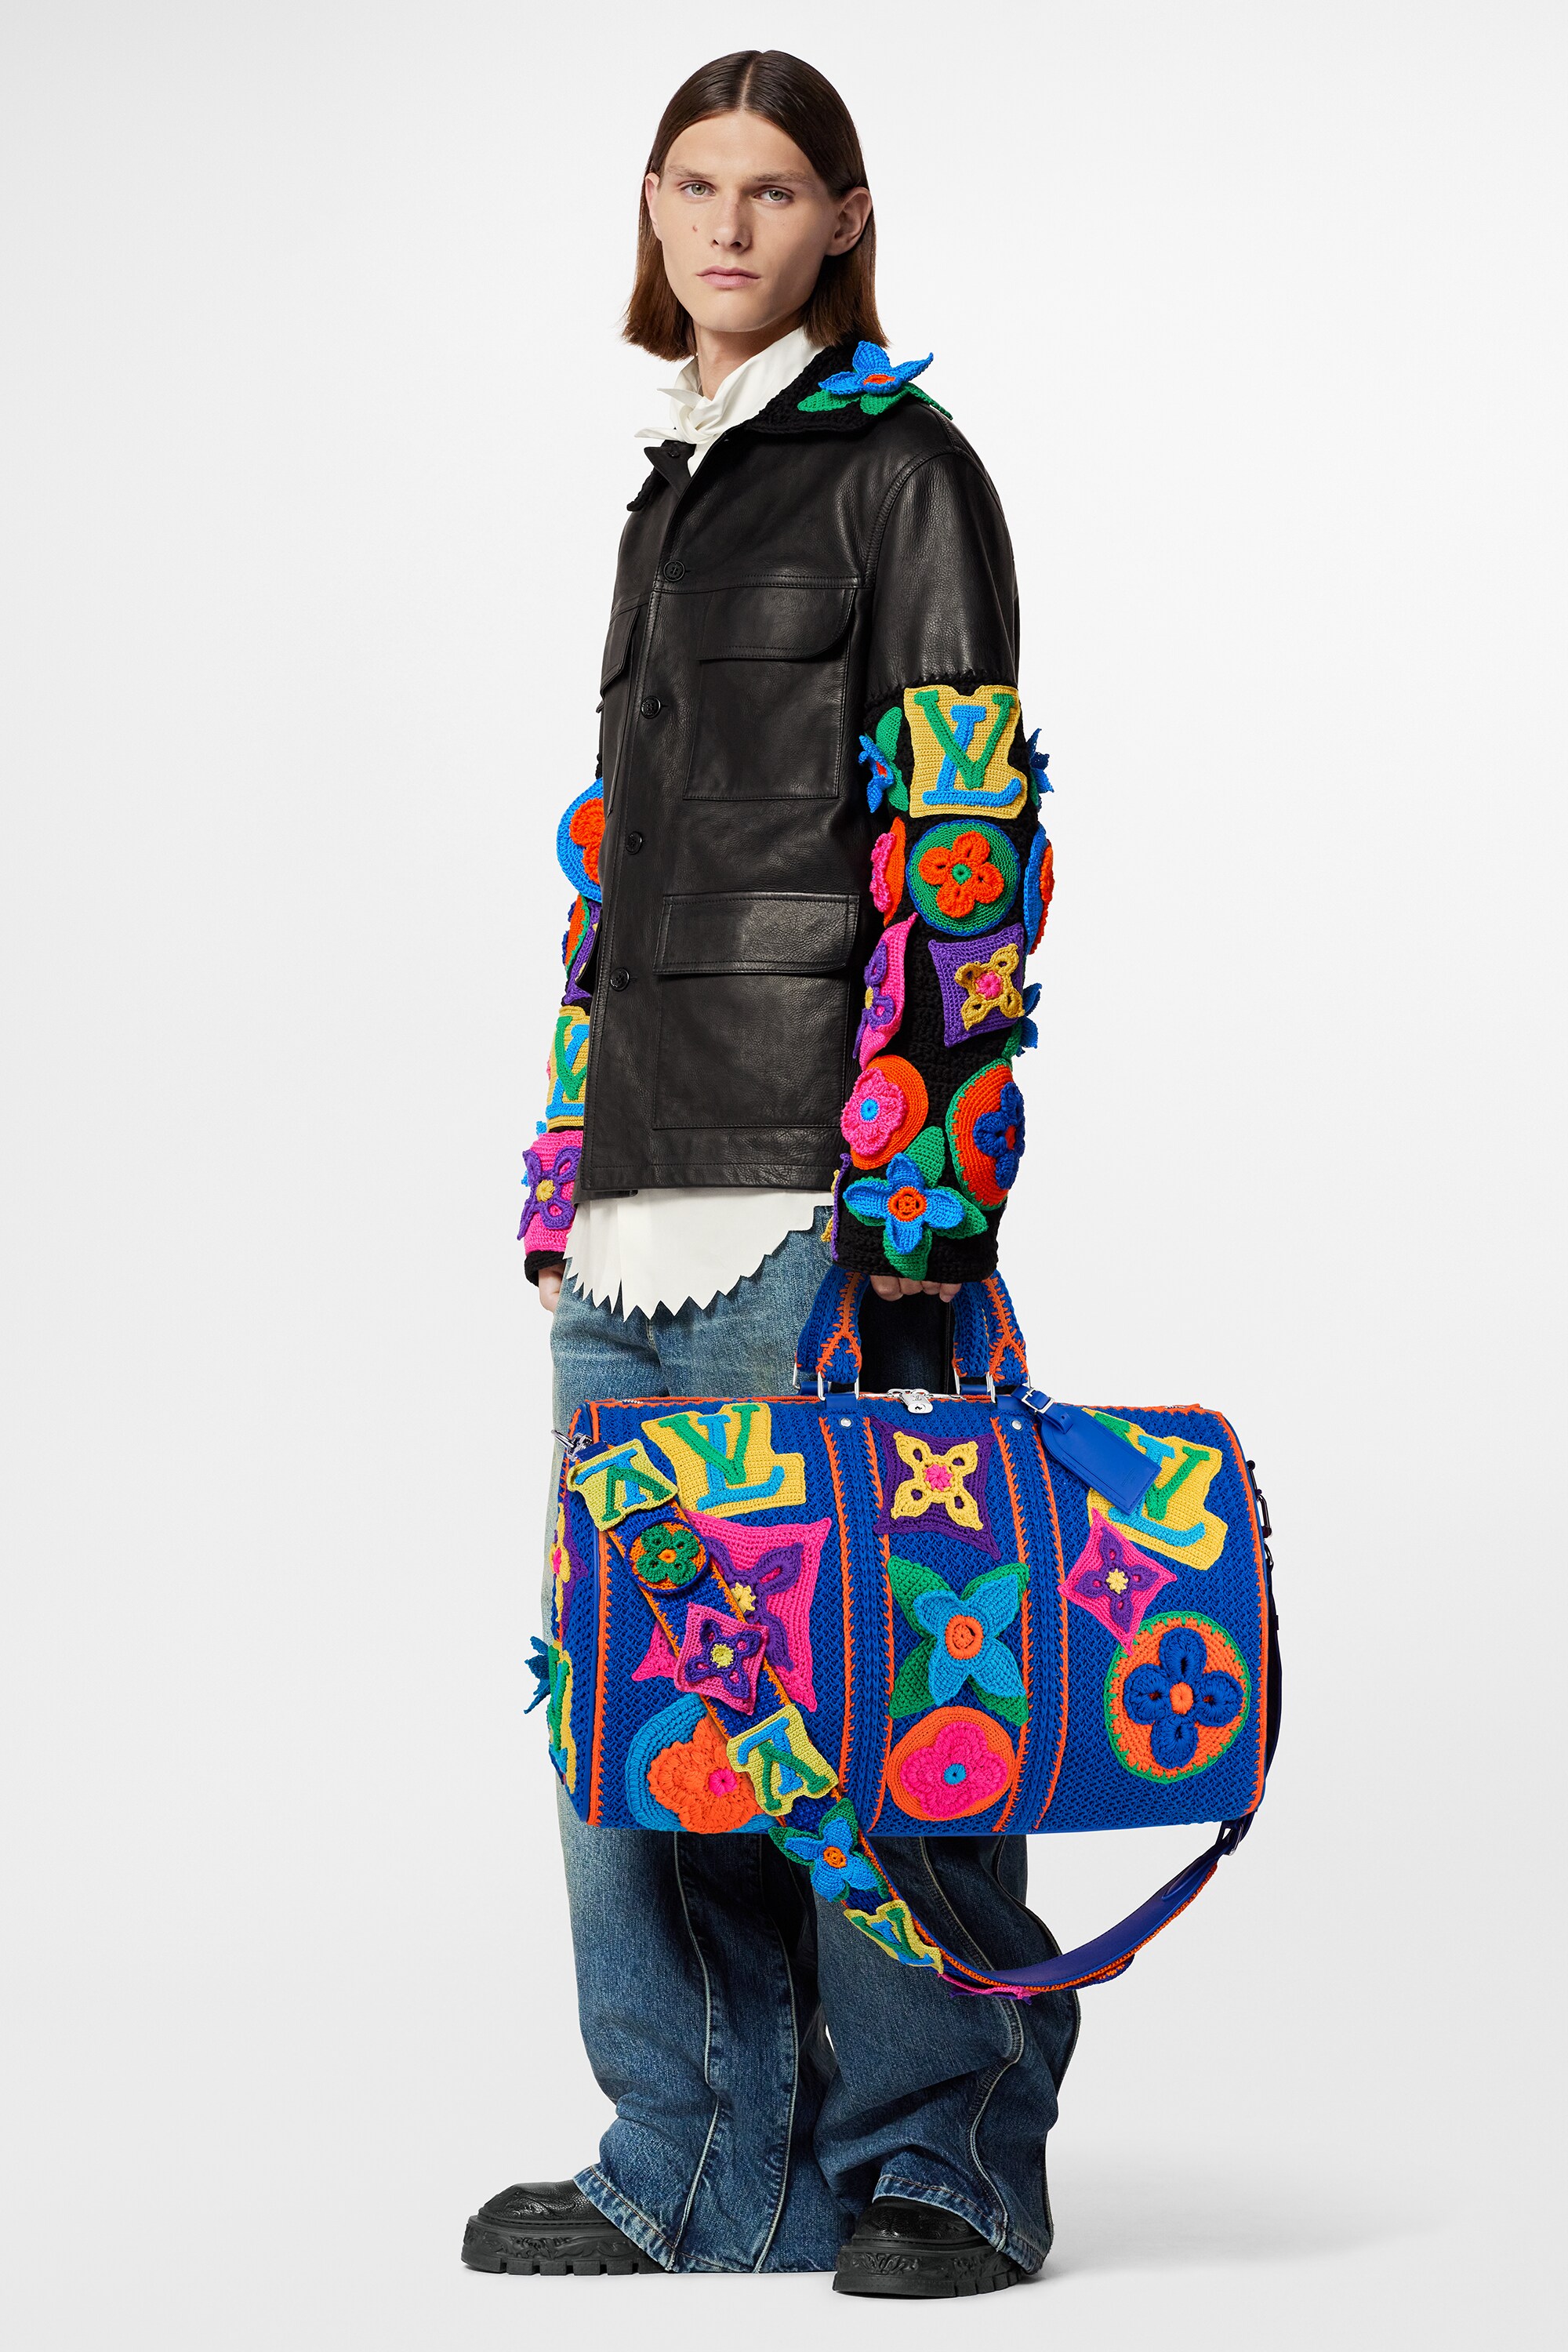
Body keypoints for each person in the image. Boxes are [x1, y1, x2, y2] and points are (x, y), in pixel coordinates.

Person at [463, 49, 1069, 2296]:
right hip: (638, 1202)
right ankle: (706, 2161)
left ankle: (946, 2162)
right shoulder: (671, 493)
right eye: (694, 186)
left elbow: (966, 841)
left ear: (844, 219)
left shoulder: (907, 471)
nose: (729, 228)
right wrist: (570, 1165)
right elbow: (627, 870)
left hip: (823, 1193)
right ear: (653, 209)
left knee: (880, 1692)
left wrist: (932, 1207)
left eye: (775, 190)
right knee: (641, 1710)